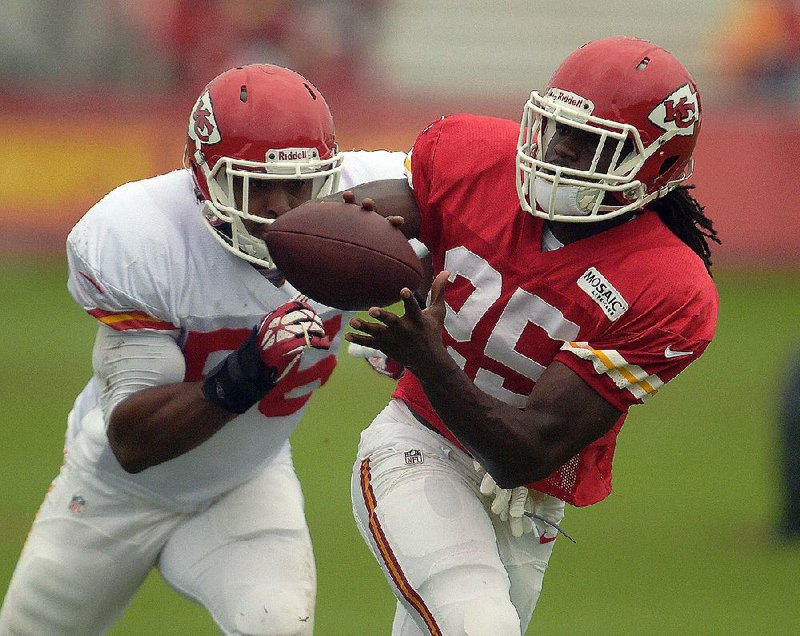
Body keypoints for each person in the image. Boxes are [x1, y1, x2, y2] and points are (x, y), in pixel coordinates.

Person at [0, 64, 408, 635]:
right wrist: (251, 366)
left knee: (279, 623)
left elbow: (472, 201)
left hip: (246, 477)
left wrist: (431, 328)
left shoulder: (367, 198)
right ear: (203, 177)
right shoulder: (143, 239)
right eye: (257, 184)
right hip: (117, 492)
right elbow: (133, 443)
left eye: (298, 184)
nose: (280, 208)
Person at [337, 36, 721, 634]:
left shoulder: (669, 290)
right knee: (480, 626)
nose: (558, 150)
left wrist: (431, 359)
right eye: (557, 128)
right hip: (419, 442)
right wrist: (358, 267)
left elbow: (528, 450)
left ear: (656, 166)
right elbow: (357, 224)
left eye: (590, 142)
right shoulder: (474, 156)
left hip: (527, 492)